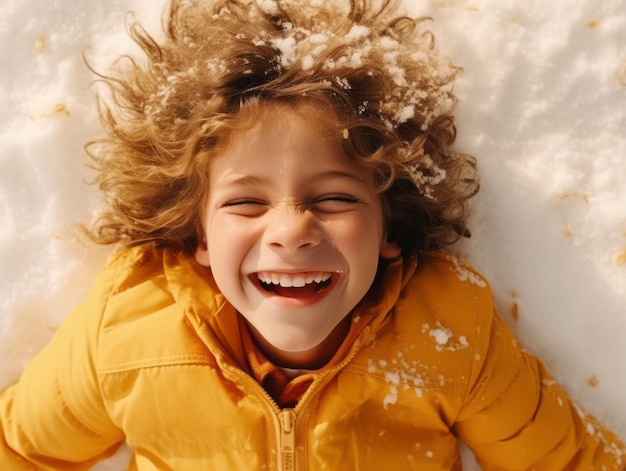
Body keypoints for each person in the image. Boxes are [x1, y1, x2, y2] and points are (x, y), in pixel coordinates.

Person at [1, 0, 624, 469]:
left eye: (334, 198)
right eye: (246, 201)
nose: (292, 229)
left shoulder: (452, 332)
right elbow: (20, 449)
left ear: (389, 227)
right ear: (197, 232)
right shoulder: (126, 334)